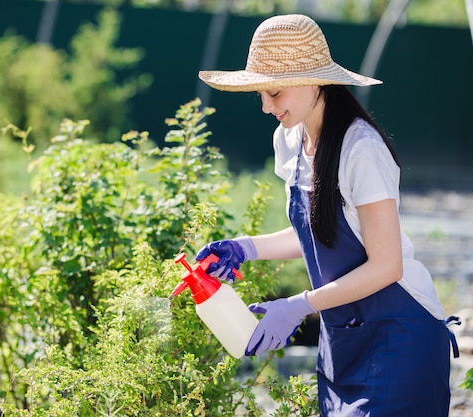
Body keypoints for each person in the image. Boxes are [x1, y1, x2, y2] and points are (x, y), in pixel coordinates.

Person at [195, 14, 459, 416]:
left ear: (313, 80)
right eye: (260, 95)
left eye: (276, 92)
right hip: (343, 340)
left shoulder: (361, 150)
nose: (267, 107)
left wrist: (299, 305)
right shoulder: (290, 139)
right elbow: (318, 233)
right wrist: (245, 248)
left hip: (400, 338)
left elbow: (387, 266)